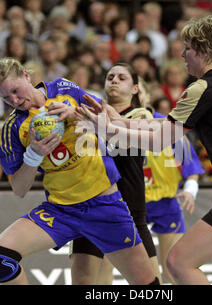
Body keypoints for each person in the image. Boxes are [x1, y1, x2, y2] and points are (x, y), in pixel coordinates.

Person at [76, 15, 212, 285]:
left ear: (204, 50)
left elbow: (160, 140)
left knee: (177, 263)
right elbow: (164, 125)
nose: (183, 54)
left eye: (187, 48)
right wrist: (118, 120)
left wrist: (108, 129)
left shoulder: (202, 87)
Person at [0, 57, 158, 285]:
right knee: (0, 255)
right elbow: (19, 188)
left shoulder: (63, 89)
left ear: (27, 76)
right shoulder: (12, 129)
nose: (14, 100)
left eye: (16, 91)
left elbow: (107, 115)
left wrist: (76, 111)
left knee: (149, 286)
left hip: (105, 205)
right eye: (6, 98)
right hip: (61, 211)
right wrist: (33, 156)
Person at [69, 62, 161, 284]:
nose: (114, 81)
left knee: (151, 283)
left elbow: (153, 133)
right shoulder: (88, 114)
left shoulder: (140, 114)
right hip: (90, 206)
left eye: (122, 78)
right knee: (85, 282)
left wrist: (107, 124)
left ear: (136, 89)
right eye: (110, 77)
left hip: (129, 209)